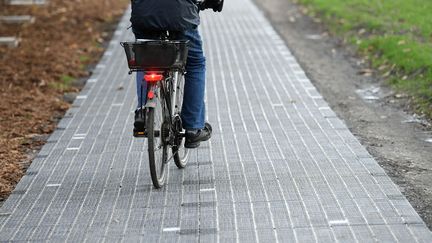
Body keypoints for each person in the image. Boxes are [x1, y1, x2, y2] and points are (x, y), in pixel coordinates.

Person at [130, 0, 223, 148]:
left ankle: (143, 112)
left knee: (145, 60)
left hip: (145, 16)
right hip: (181, 16)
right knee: (195, 64)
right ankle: (193, 127)